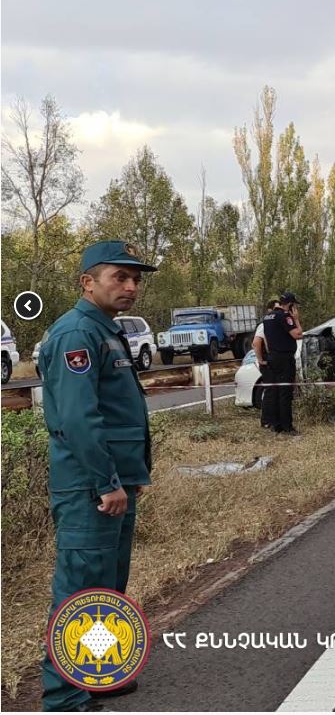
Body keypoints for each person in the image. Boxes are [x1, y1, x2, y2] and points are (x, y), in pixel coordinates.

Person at [37, 240, 157, 711]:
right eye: (119, 277)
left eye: (136, 279)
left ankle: (96, 672)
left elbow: (116, 412)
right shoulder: (76, 334)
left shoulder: (106, 330)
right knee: (81, 589)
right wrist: (106, 482)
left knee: (107, 584)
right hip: (90, 486)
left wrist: (130, 476)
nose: (131, 287)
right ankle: (64, 697)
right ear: (88, 282)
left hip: (115, 483)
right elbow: (77, 418)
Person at [261, 292, 303, 435]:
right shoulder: (285, 316)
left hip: (273, 357)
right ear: (290, 305)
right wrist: (296, 320)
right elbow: (297, 334)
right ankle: (287, 426)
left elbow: (266, 339)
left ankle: (276, 424)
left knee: (275, 392)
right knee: (285, 392)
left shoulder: (267, 317)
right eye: (294, 305)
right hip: (285, 358)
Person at [252, 300, 280, 429]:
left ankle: (274, 418)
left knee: (275, 391)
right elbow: (256, 343)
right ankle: (266, 420)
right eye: (276, 309)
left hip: (274, 362)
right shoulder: (264, 325)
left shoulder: (277, 324)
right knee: (270, 391)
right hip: (267, 362)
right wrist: (261, 360)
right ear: (269, 310)